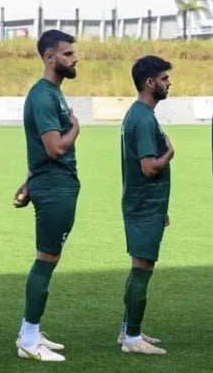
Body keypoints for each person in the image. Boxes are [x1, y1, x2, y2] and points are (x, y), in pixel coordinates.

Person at [12, 29, 80, 362]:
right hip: (54, 187)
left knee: (48, 259)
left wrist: (29, 181)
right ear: (50, 58)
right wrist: (75, 129)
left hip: (53, 183)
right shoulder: (43, 95)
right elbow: (54, 148)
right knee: (45, 260)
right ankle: (28, 339)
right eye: (68, 54)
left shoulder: (53, 93)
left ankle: (31, 331)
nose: (74, 58)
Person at [117, 55, 173, 355]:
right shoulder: (142, 117)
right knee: (142, 268)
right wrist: (169, 154)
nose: (169, 83)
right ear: (150, 82)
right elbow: (149, 167)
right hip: (143, 206)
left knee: (139, 267)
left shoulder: (139, 114)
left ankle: (128, 329)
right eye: (164, 79)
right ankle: (132, 338)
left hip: (146, 205)